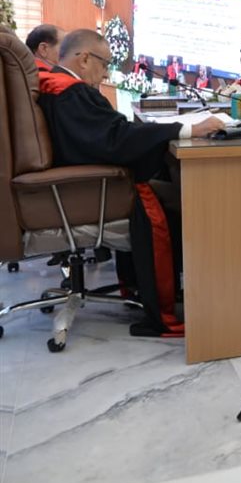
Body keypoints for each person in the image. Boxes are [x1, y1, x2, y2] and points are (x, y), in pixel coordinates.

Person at [35, 29, 225, 336]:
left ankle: (142, 287)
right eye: (105, 64)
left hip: (81, 186)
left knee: (170, 189)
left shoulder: (57, 85)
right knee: (169, 202)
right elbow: (114, 140)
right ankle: (162, 310)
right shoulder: (70, 92)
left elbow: (109, 135)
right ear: (84, 59)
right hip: (91, 190)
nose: (105, 73)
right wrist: (186, 130)